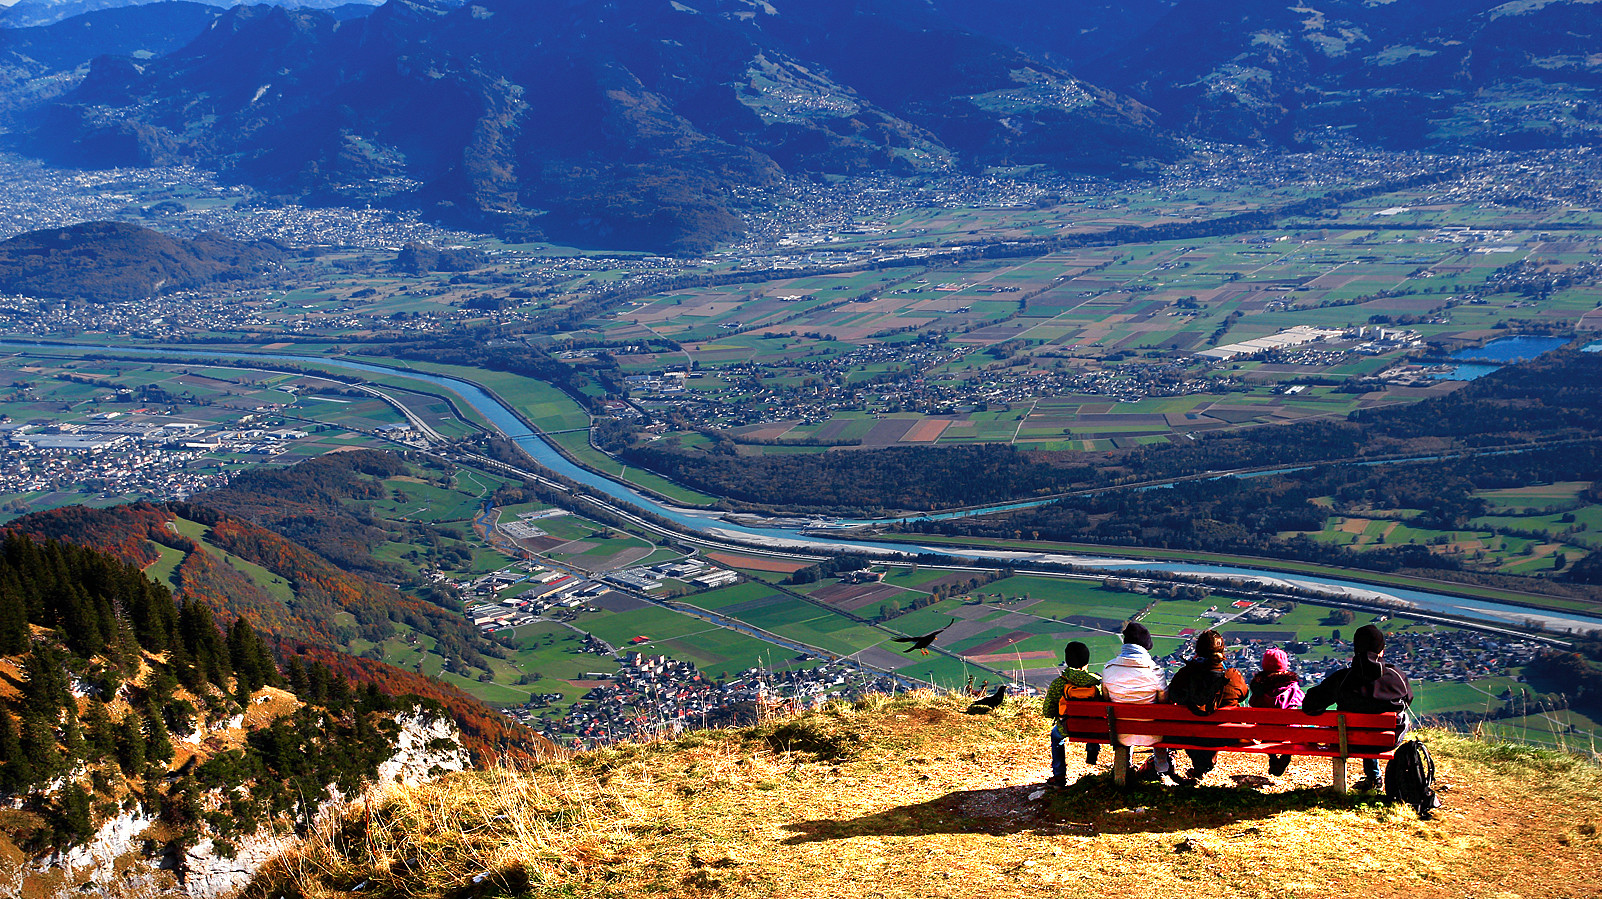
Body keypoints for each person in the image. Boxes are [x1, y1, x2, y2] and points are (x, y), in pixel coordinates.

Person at [1302, 623, 1412, 791]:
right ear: (1381, 650)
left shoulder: (1342, 679)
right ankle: (1383, 778)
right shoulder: (1396, 676)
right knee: (1397, 719)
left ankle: (1373, 777)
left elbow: (1309, 706)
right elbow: (1408, 700)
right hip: (1387, 741)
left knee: (1361, 726)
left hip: (1350, 741)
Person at [1164, 629, 1248, 782]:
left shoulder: (1185, 674)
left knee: (1195, 726)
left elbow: (1173, 695)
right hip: (1223, 736)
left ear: (1198, 651)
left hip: (1187, 735)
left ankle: (1201, 765)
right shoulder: (1232, 677)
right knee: (1212, 727)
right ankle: (1203, 765)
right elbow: (1244, 694)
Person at [1100, 621, 1178, 783]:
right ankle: (1161, 768)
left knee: (1125, 721)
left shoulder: (1108, 669)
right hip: (1153, 734)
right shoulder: (1154, 671)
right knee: (1160, 718)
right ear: (1145, 647)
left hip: (1119, 733)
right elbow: (1163, 704)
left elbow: (1106, 701)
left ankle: (1126, 766)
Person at [1041, 641, 1104, 787]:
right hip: (1096, 728)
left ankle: (1059, 776)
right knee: (1093, 721)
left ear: (1067, 661)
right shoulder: (1097, 682)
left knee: (1056, 736)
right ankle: (1092, 752)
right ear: (1086, 662)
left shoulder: (1059, 683)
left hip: (1069, 726)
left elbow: (1048, 712)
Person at [1247, 647, 1304, 777]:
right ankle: (1286, 755)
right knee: (1294, 726)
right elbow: (1302, 700)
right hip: (1288, 733)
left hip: (1265, 733)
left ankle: (1272, 757)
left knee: (1265, 726)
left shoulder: (1259, 687)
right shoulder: (1292, 687)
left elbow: (1252, 703)